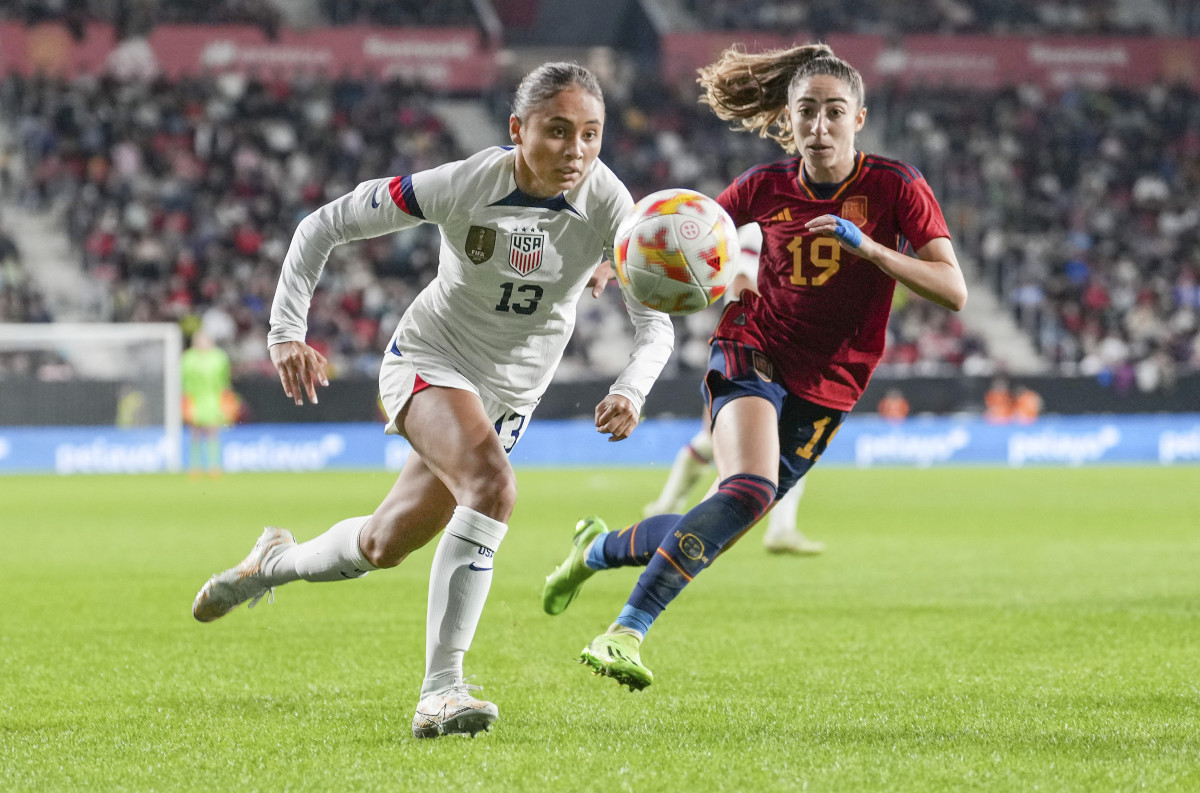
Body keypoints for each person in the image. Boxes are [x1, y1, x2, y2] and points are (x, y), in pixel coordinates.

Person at [190, 63, 674, 737]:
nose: (576, 150)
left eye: (590, 134)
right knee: (492, 485)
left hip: (508, 396)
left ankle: (273, 561)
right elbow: (323, 224)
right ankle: (441, 690)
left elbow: (657, 321)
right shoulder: (464, 183)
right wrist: (285, 331)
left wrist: (631, 386)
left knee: (383, 543)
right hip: (428, 360)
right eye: (558, 131)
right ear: (517, 129)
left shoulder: (612, 206)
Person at [542, 43, 967, 691]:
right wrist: (619, 255)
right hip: (753, 347)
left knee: (724, 520)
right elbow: (681, 226)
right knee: (748, 489)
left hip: (833, 381)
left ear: (859, 118)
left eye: (833, 112)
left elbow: (952, 288)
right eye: (806, 112)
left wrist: (872, 249)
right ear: (788, 121)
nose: (819, 126)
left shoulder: (894, 186)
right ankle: (624, 631)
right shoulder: (764, 186)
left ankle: (596, 549)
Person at [642, 223, 825, 556]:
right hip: (754, 348)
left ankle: (666, 507)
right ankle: (668, 514)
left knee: (769, 444)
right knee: (742, 442)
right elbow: (741, 280)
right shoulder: (761, 229)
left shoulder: (786, 229)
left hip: (770, 347)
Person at [181, 330, 234, 477]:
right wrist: (186, 401)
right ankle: (194, 466)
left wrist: (226, 400)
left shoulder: (219, 357)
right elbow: (185, 382)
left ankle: (214, 466)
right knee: (195, 433)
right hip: (195, 399)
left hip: (214, 399)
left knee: (213, 432)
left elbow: (224, 381)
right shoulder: (188, 358)